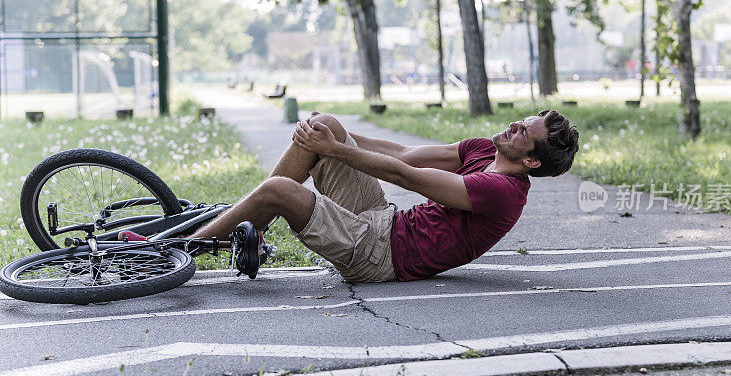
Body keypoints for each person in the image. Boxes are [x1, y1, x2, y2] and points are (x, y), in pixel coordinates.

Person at [181, 110, 579, 282]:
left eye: (524, 132)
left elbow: (405, 175)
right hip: (382, 222)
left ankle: (179, 251)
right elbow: (401, 152)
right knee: (326, 123)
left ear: (531, 161)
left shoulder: (503, 194)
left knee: (279, 191)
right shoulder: (482, 150)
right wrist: (333, 136)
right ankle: (252, 229)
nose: (513, 126)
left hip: (380, 257)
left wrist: (336, 150)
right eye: (521, 121)